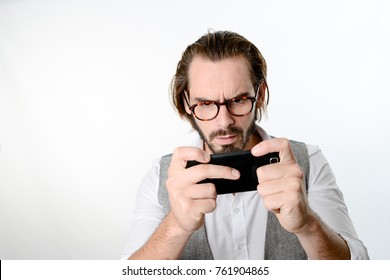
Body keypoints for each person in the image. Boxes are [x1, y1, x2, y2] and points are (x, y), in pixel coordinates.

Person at [122, 30, 369, 260]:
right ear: (186, 102)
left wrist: (307, 225)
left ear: (260, 94)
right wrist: (176, 225)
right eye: (206, 103)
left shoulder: (308, 161)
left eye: (239, 100)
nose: (224, 121)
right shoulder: (159, 176)